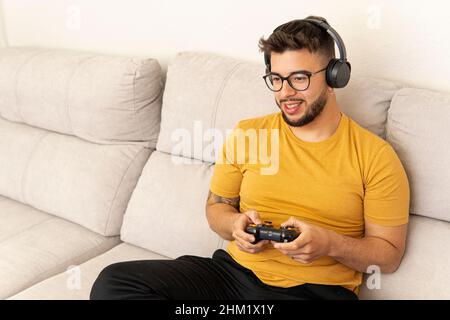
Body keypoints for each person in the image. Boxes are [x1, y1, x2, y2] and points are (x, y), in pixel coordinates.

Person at [90, 16, 410, 300]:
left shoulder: (375, 157)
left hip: (316, 292)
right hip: (233, 276)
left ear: (334, 77)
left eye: (299, 78)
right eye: (277, 79)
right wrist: (234, 224)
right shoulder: (248, 134)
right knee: (114, 283)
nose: (285, 93)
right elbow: (216, 207)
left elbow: (388, 256)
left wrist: (330, 245)